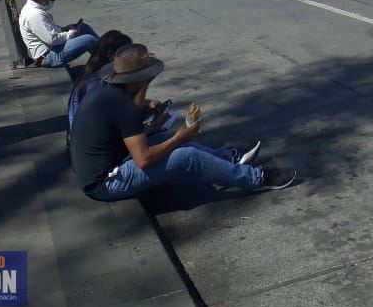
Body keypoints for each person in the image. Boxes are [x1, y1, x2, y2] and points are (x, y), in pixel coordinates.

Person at [70, 43, 295, 201]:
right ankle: (257, 178)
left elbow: (129, 126)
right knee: (186, 154)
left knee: (168, 139)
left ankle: (230, 159)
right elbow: (144, 159)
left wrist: (157, 127)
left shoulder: (109, 92)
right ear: (139, 78)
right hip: (106, 184)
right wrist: (180, 137)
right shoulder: (122, 106)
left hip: (107, 166)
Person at [19, 0, 100, 67]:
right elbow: (52, 39)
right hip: (48, 56)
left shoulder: (35, 10)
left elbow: (48, 31)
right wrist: (70, 34)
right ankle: (108, 59)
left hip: (53, 49)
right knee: (88, 40)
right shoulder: (34, 14)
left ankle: (108, 53)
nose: (53, 1)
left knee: (83, 27)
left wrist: (64, 29)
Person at [67, 29, 133, 133]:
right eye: (126, 55)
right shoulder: (101, 84)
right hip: (91, 143)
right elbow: (128, 121)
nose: (130, 60)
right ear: (111, 56)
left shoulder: (91, 74)